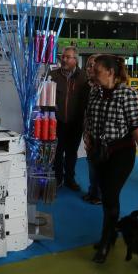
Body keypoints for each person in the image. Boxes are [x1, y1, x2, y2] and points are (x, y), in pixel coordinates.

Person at [84, 54, 138, 264]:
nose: (92, 73)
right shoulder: (94, 91)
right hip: (98, 153)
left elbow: (135, 124)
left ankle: (106, 242)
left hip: (121, 154)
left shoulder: (127, 94)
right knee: (105, 195)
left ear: (110, 72)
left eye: (97, 70)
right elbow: (89, 117)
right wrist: (88, 136)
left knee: (111, 195)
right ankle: (112, 233)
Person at [49, 46, 89, 191]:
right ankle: (58, 178)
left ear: (75, 60)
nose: (64, 59)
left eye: (67, 57)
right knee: (57, 152)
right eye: (63, 56)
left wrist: (86, 123)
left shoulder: (84, 77)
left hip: (76, 122)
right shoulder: (52, 75)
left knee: (72, 152)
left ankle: (70, 179)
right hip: (56, 121)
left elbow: (87, 102)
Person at [82, 54, 101, 205]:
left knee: (99, 165)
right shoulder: (88, 85)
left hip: (102, 135)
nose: (89, 69)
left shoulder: (104, 86)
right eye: (88, 65)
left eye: (92, 65)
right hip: (89, 130)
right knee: (91, 163)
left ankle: (99, 194)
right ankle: (92, 191)